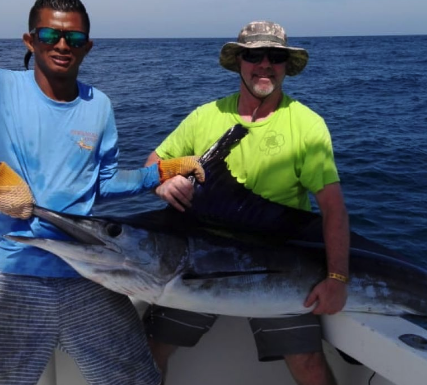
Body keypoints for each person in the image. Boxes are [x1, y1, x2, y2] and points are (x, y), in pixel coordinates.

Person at [0, 0, 203, 385]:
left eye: (74, 39)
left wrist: (156, 174)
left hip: (89, 272)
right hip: (12, 273)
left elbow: (100, 185)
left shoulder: (99, 106)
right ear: (30, 41)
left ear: (87, 46)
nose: (62, 45)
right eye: (49, 35)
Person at [143, 21, 350, 385]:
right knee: (148, 351)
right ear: (239, 61)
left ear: (287, 65)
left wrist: (336, 278)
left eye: (276, 56)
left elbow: (332, 208)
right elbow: (152, 163)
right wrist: (164, 181)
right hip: (198, 265)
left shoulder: (307, 125)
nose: (265, 64)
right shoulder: (205, 116)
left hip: (275, 268)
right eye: (254, 55)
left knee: (307, 362)